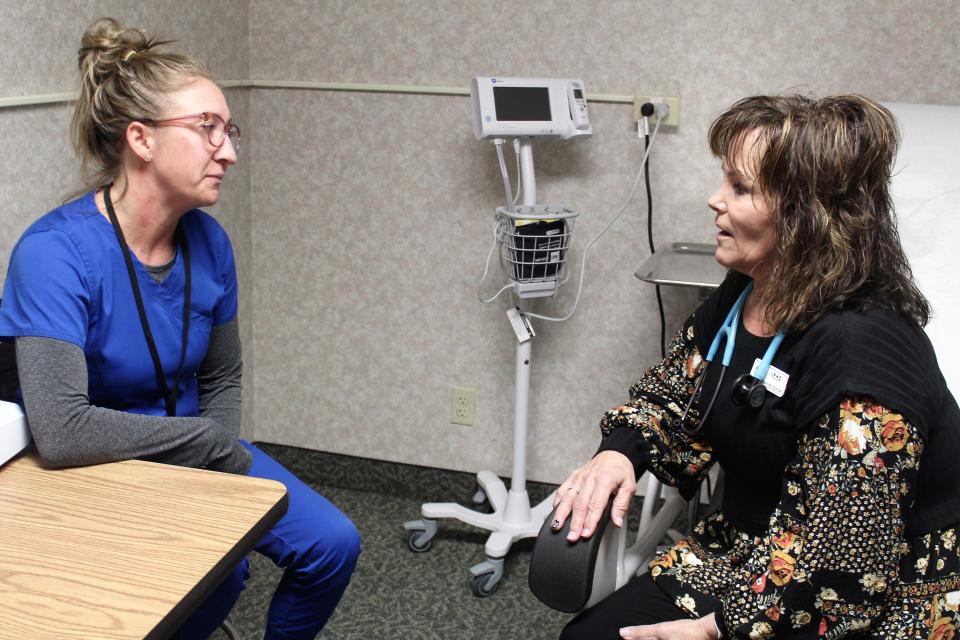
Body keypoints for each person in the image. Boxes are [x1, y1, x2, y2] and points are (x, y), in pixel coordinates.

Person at [0, 18, 360, 639]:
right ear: (140, 139)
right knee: (222, 578)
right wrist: (205, 450)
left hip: (197, 449)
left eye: (230, 130)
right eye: (207, 129)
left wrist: (211, 487)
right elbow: (60, 431)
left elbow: (222, 373)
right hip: (97, 467)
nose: (230, 150)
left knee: (333, 544)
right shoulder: (53, 254)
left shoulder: (209, 242)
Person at [552, 94, 960, 639]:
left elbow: (848, 566)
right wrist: (618, 454)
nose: (714, 200)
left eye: (740, 188)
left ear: (803, 216)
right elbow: (675, 396)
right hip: (746, 549)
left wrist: (719, 628)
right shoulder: (748, 290)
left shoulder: (861, 354)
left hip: (877, 599)